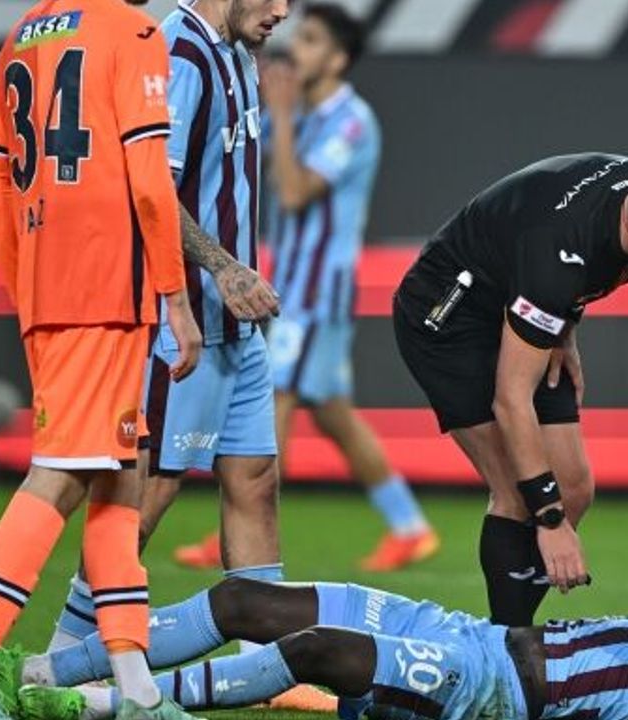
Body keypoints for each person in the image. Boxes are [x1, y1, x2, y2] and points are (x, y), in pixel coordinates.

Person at [0, 0, 203, 717]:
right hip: (109, 295)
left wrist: (30, 284)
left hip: (52, 294)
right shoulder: (134, 32)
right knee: (60, 478)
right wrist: (176, 297)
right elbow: (150, 180)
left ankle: (137, 691)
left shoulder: (23, 34)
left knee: (119, 482)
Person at [46, 0, 293, 658]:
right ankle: (62, 656)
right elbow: (149, 186)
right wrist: (222, 268)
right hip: (182, 320)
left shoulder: (237, 53)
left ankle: (268, 666)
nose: (283, 11)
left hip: (237, 323)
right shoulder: (177, 54)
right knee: (149, 490)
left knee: (255, 480)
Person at [4, 552, 628, 720]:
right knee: (245, 600)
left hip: (502, 693)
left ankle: (95, 705)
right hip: (475, 633)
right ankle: (44, 667)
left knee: (315, 655)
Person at [394, 154, 628, 625]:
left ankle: (510, 641)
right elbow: (511, 401)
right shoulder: (558, 256)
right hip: (449, 317)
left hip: (520, 297)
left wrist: (564, 329)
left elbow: (572, 266)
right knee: (520, 496)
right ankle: (508, 650)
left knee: (571, 489)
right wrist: (550, 523)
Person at [174, 2, 439, 574]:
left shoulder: (351, 122)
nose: (297, 49)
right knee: (333, 414)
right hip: (292, 281)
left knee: (276, 399)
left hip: (317, 289)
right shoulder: (297, 113)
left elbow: (294, 192)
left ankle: (233, 528)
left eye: (312, 40)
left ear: (338, 60)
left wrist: (282, 112)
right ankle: (410, 527)